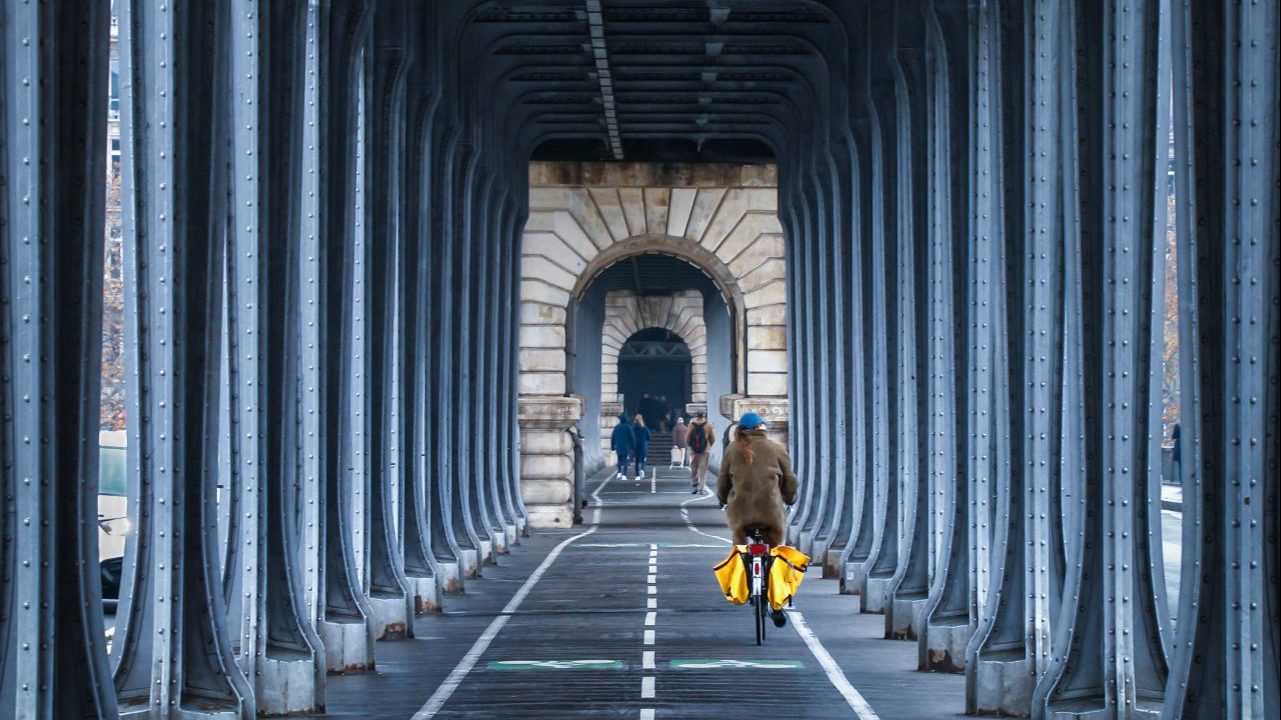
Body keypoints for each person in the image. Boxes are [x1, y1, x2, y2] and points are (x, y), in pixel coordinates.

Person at [716, 412, 798, 626]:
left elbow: (724, 480)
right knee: (776, 554)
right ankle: (777, 604)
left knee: (739, 547)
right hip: (770, 513)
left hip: (740, 513)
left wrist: (722, 498)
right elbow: (789, 480)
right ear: (761, 427)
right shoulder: (776, 448)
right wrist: (790, 498)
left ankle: (742, 581)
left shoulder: (732, 449)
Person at [687, 412, 715, 494]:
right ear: (704, 416)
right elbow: (713, 438)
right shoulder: (708, 425)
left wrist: (691, 446)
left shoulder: (691, 425)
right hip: (705, 451)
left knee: (694, 469)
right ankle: (702, 488)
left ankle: (694, 485)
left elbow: (687, 437)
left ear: (696, 417)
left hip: (694, 451)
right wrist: (709, 446)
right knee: (703, 470)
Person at [610, 412, 634, 480]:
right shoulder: (628, 427)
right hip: (626, 447)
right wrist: (633, 446)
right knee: (625, 461)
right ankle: (624, 475)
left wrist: (612, 447)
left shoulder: (616, 427)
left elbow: (613, 437)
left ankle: (619, 473)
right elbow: (632, 438)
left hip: (618, 447)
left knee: (619, 460)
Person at [631, 414, 651, 482]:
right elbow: (649, 437)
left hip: (636, 446)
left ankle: (637, 476)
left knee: (636, 461)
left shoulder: (633, 428)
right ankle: (642, 469)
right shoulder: (644, 428)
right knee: (643, 460)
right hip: (643, 445)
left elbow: (631, 436)